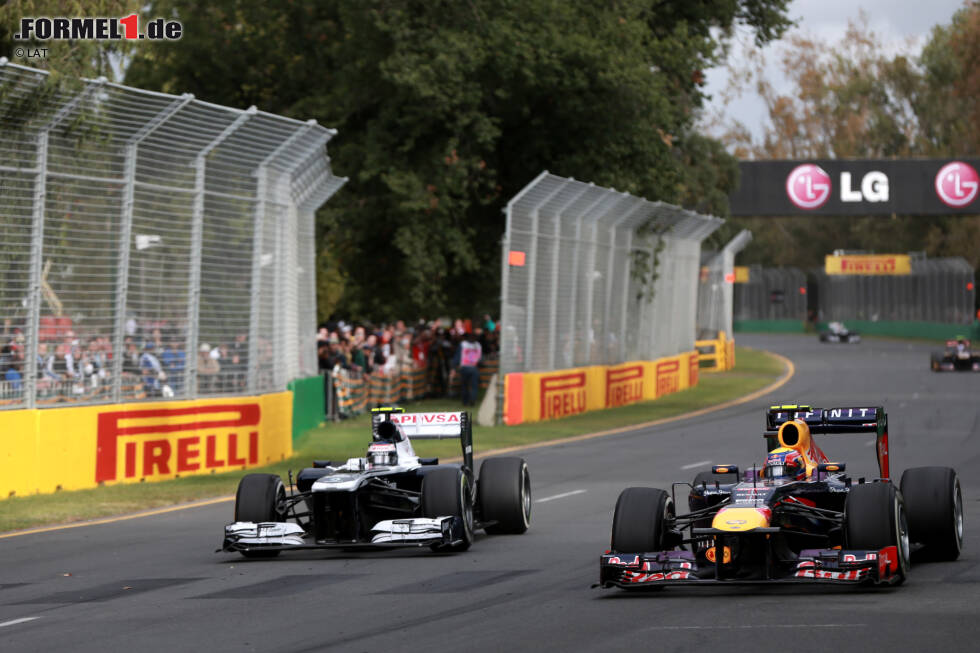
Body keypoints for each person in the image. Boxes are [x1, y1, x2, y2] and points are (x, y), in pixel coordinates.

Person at [455, 331, 482, 407]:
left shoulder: (463, 344)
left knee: (465, 385)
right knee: (474, 386)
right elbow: (480, 358)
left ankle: (465, 401)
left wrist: (455, 366)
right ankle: (472, 399)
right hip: (473, 368)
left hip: (465, 367)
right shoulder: (478, 345)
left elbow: (458, 356)